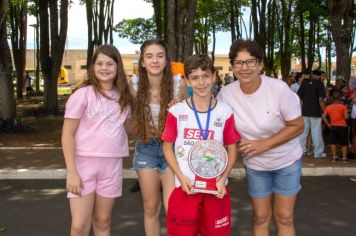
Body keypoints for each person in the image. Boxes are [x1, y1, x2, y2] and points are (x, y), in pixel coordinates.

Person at [217, 39, 304, 235]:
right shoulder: (225, 94)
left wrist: (264, 144)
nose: (244, 67)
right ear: (232, 66)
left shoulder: (278, 88)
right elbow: (214, 120)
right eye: (238, 62)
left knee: (284, 217)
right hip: (256, 166)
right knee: (260, 217)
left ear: (260, 64)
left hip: (287, 162)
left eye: (250, 61)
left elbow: (298, 125)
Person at [162, 54, 240, 235]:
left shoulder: (225, 111)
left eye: (206, 76)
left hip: (217, 188)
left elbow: (232, 148)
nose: (201, 83)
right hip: (185, 187)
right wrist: (180, 177)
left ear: (214, 76)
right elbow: (167, 147)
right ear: (187, 81)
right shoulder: (176, 111)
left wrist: (223, 178)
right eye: (195, 78)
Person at [62, 44, 133, 236]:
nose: (104, 67)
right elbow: (67, 134)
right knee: (79, 226)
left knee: (102, 222)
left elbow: (130, 128)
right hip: (83, 166)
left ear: (118, 67)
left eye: (110, 63)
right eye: (99, 63)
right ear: (92, 66)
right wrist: (72, 172)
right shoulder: (82, 95)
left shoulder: (124, 98)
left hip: (112, 166)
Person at [130, 39, 177, 236]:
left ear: (167, 60)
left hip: (172, 150)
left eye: (160, 56)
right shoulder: (133, 86)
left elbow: (199, 108)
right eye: (149, 56)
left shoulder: (179, 84)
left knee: (173, 209)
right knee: (151, 208)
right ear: (142, 62)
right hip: (146, 149)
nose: (155, 60)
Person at [298, 69, 327, 158]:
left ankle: (300, 151)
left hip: (304, 111)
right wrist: (325, 110)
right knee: (316, 132)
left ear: (312, 74)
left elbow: (300, 98)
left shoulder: (304, 82)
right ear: (319, 76)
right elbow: (321, 100)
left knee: (303, 132)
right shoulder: (320, 84)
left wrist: (300, 110)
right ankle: (318, 153)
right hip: (315, 112)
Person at [322, 89, 349, 163]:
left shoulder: (328, 107)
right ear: (340, 97)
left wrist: (328, 124)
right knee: (344, 143)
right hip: (343, 126)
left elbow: (323, 116)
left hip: (333, 126)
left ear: (331, 97)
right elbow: (346, 117)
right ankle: (344, 159)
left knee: (333, 143)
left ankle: (334, 158)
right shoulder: (343, 107)